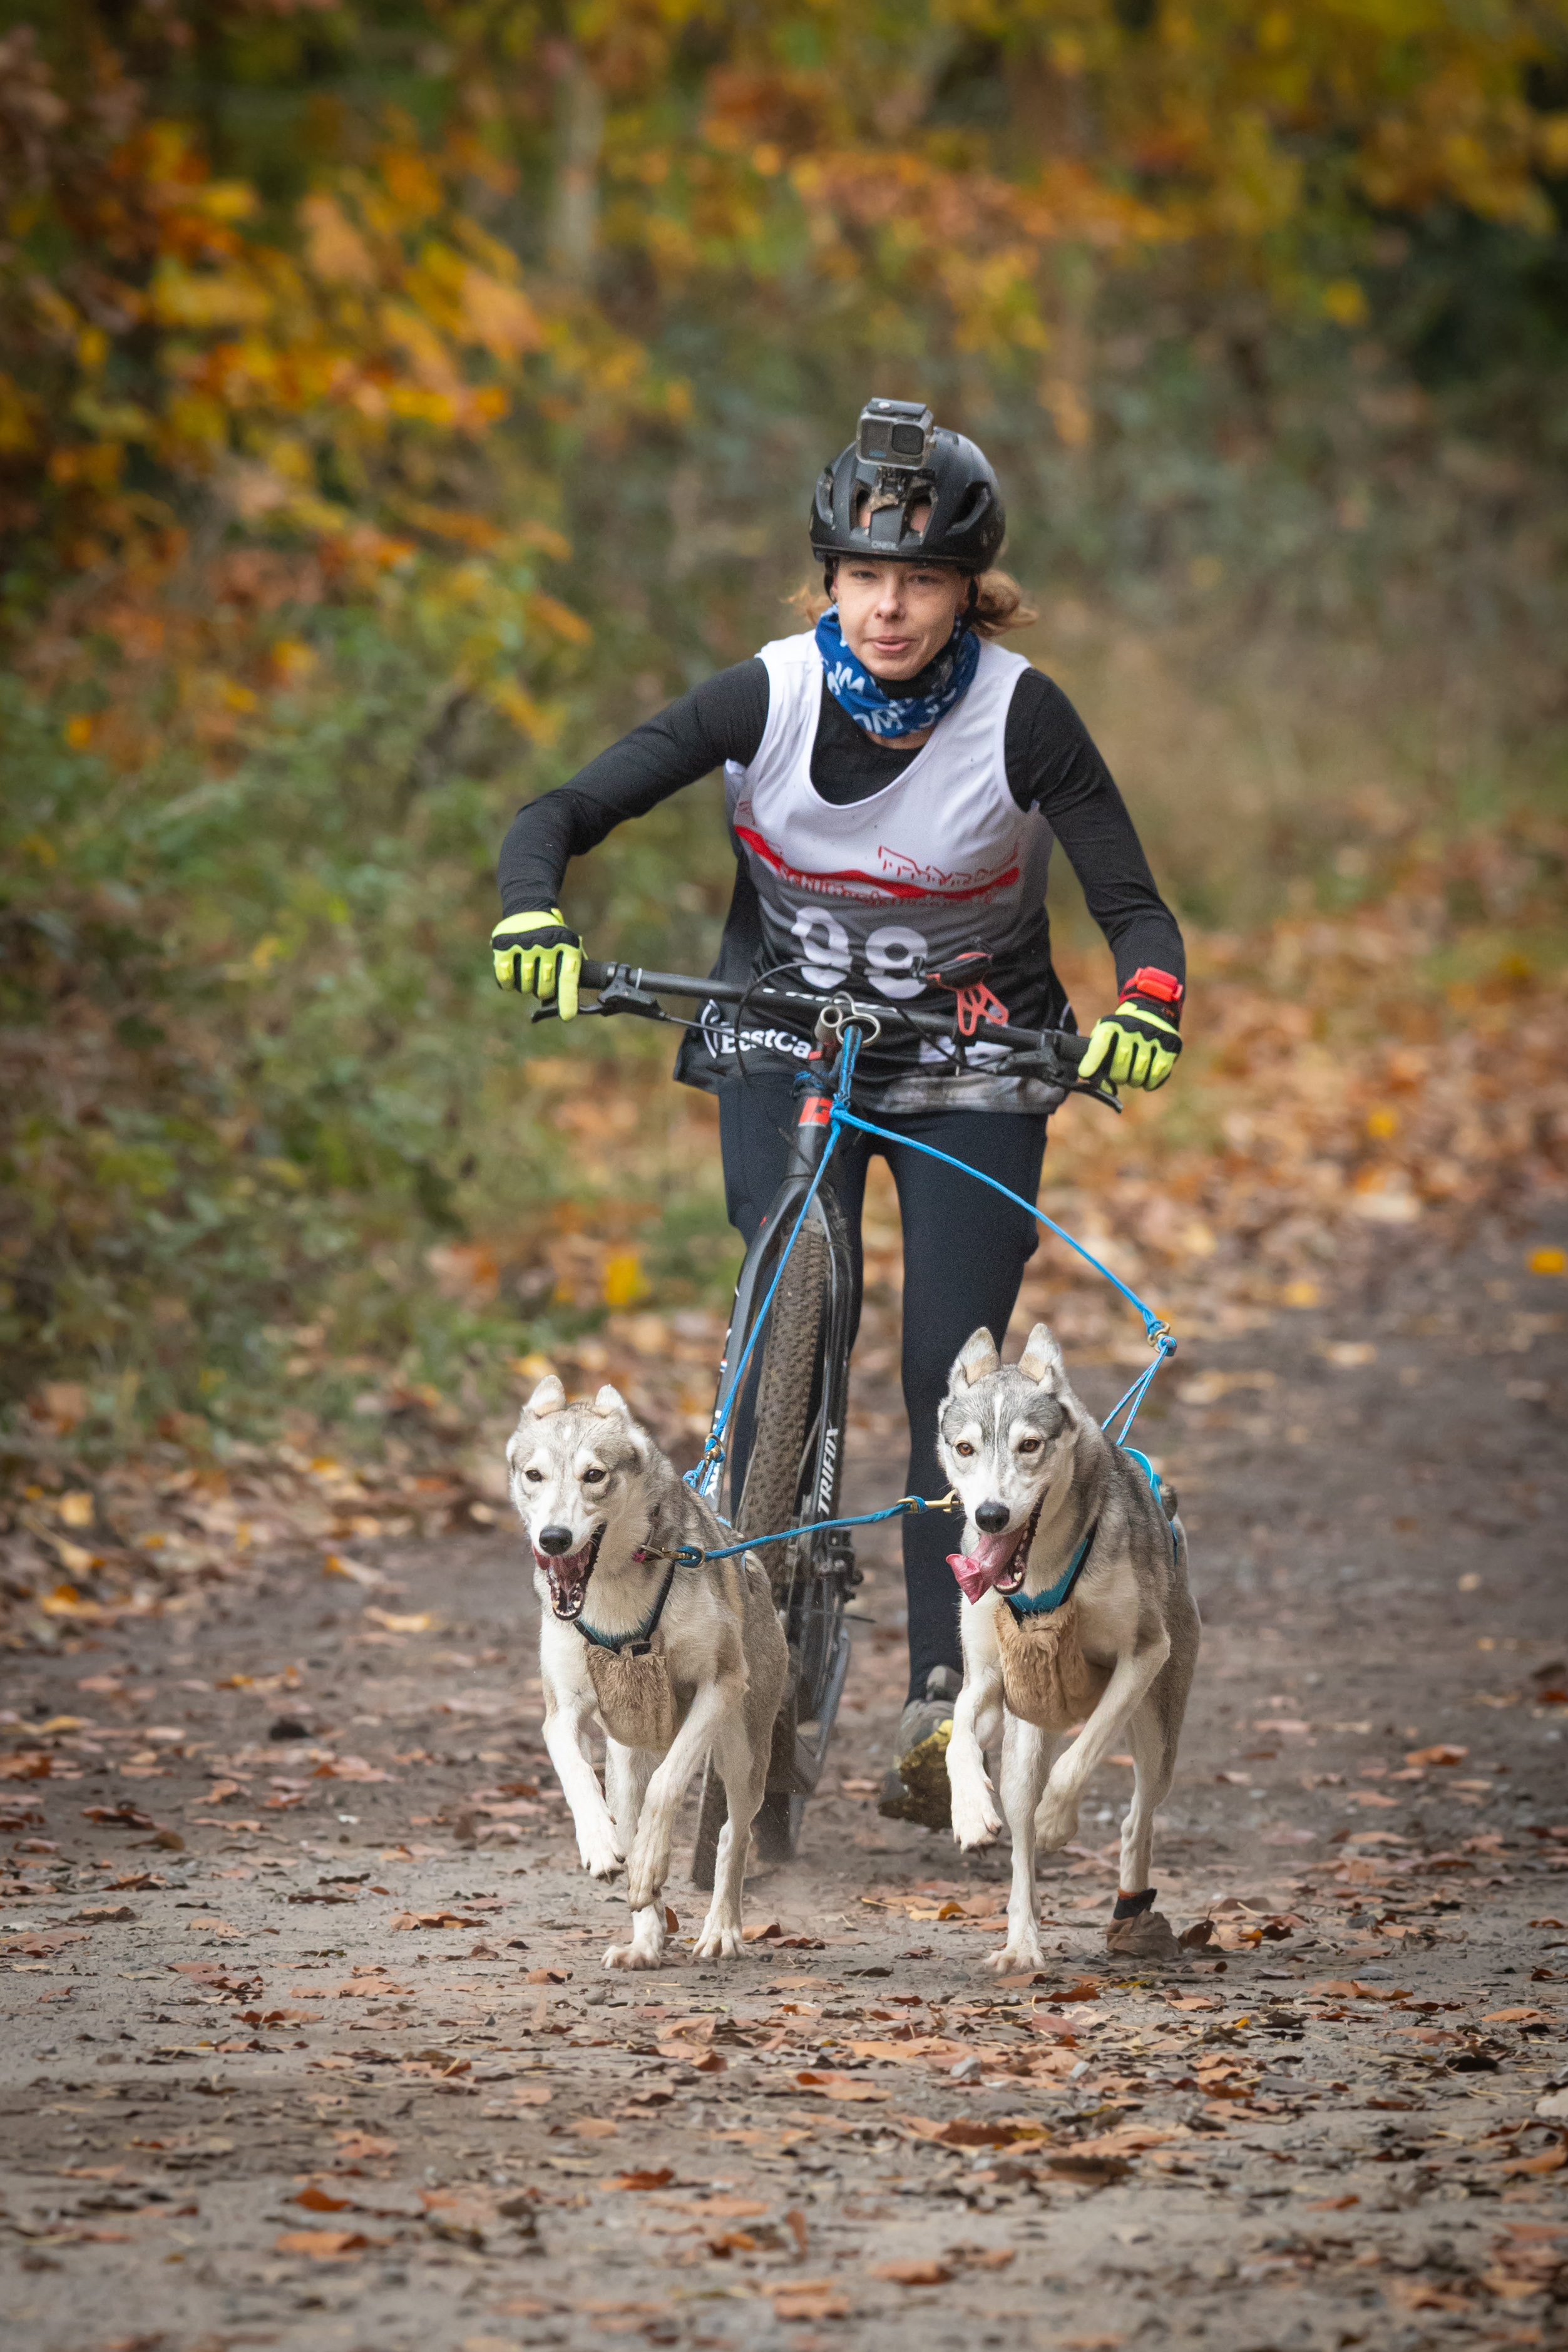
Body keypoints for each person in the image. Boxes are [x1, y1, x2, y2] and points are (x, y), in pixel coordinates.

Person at [492, 398, 1185, 1826]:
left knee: (949, 1366)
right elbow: (557, 812)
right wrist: (532, 912)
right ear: (827, 581)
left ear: (966, 589)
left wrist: (1147, 1003)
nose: (887, 607)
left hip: (968, 1057)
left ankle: (940, 1697)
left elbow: (1134, 906)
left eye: (920, 579)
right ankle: (737, 1623)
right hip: (783, 1039)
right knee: (786, 1308)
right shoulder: (764, 696)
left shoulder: (1022, 716)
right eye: (863, 576)